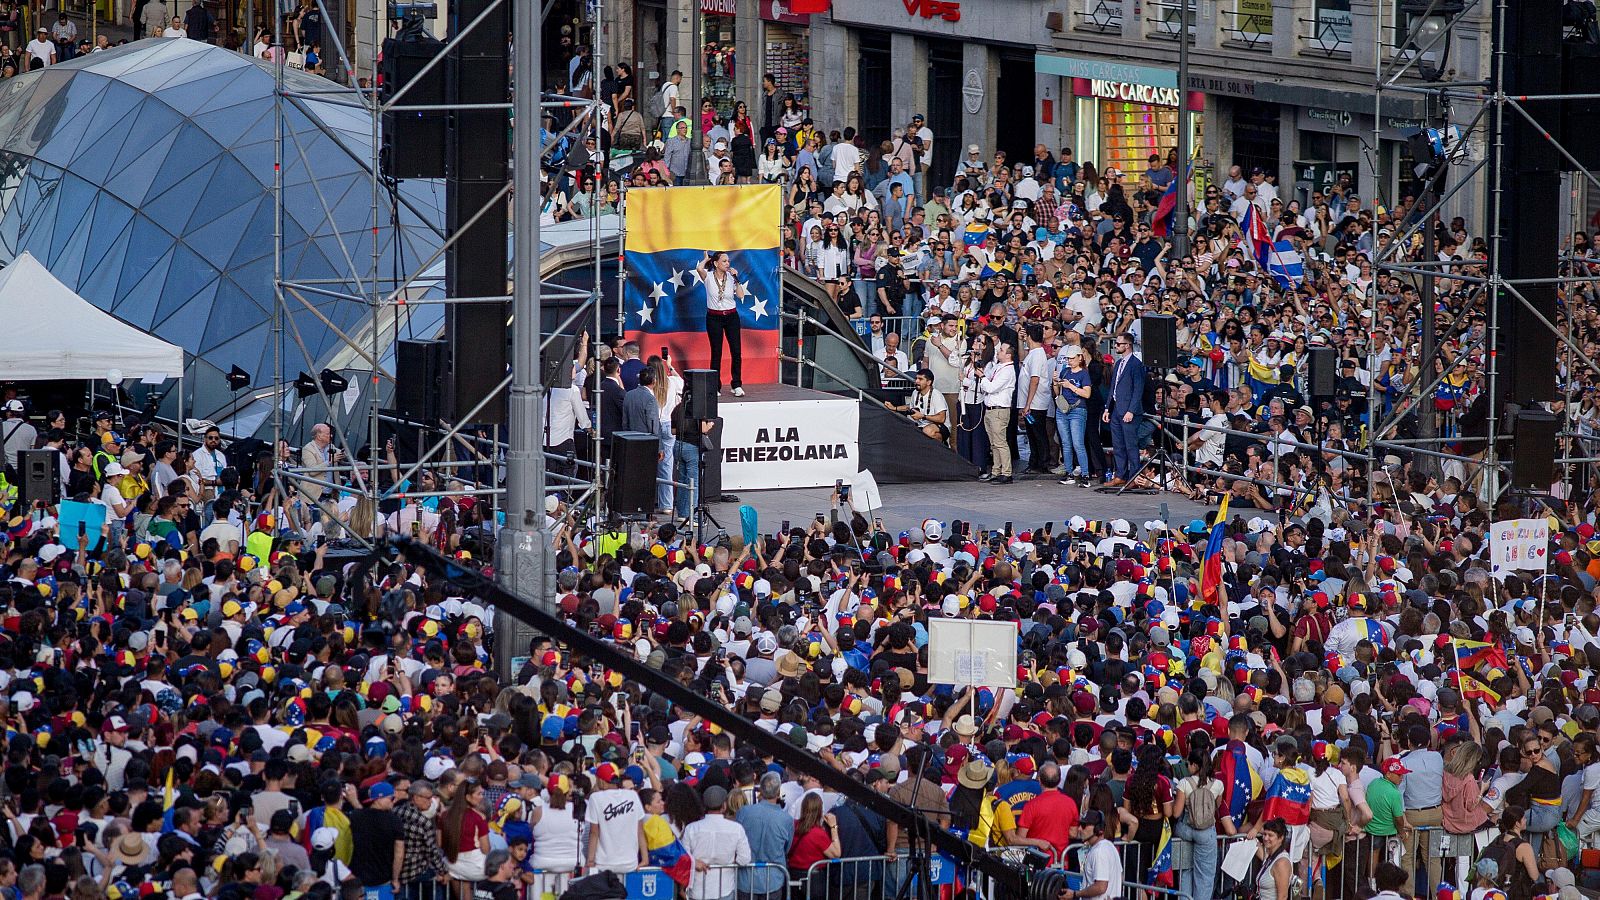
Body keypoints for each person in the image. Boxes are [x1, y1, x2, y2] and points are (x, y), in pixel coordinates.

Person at [698, 251, 744, 397]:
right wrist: (706, 260)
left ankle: (736, 384)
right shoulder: (709, 277)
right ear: (716, 263)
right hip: (714, 318)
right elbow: (699, 269)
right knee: (716, 352)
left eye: (728, 261)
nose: (727, 264)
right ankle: (715, 386)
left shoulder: (731, 277)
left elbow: (741, 295)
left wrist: (737, 279)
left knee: (736, 351)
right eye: (724, 261)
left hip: (731, 316)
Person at [1104, 333, 1146, 486]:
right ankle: (1120, 474)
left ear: (1127, 345)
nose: (1116, 346)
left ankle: (1134, 476)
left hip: (1128, 410)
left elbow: (1138, 389)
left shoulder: (1136, 364)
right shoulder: (1119, 363)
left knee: (1130, 445)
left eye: (1118, 344)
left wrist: (1131, 410)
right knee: (1118, 445)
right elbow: (1113, 387)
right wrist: (1107, 408)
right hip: (1116, 409)